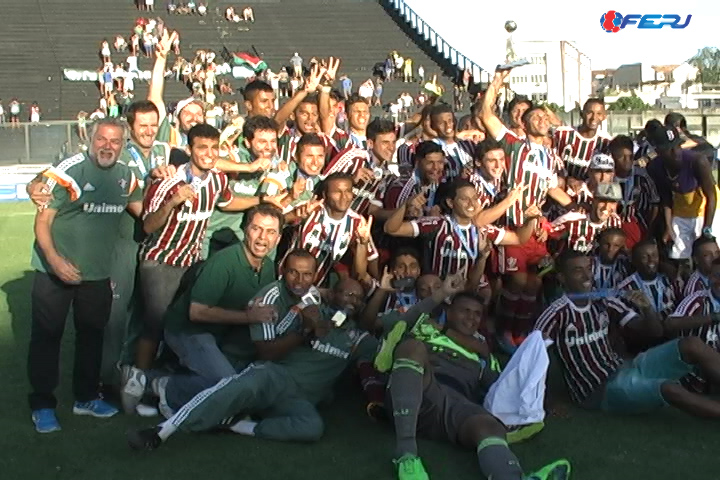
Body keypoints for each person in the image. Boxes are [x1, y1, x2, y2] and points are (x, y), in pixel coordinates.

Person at [127, 255, 379, 449]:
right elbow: (305, 313)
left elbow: (385, 348)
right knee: (229, 388)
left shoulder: (358, 338)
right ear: (331, 294)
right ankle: (163, 431)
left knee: (312, 428)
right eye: (346, 293)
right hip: (273, 377)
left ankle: (237, 425)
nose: (352, 300)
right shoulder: (312, 309)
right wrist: (308, 327)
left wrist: (383, 292)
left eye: (358, 298)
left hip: (299, 400)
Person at [121, 124, 285, 415]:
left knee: (181, 323)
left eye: (214, 148)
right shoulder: (168, 183)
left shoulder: (218, 179)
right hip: (161, 260)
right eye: (202, 148)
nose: (209, 155)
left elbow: (228, 201)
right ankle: (139, 380)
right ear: (189, 150)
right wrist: (173, 201)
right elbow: (147, 226)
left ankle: (165, 379)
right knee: (156, 324)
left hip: (192, 260)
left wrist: (261, 201)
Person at [375, 274, 569, 480]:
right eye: (464, 311)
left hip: (456, 406)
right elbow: (402, 323)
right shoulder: (427, 328)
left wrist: (543, 400)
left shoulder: (483, 353)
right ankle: (406, 455)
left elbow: (501, 389)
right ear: (449, 312)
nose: (471, 318)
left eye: (477, 314)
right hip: (421, 388)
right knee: (412, 348)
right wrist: (442, 294)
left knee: (489, 425)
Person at [28, 118, 144, 433]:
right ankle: (42, 404)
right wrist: (54, 260)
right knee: (47, 337)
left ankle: (86, 397)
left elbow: (146, 213)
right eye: (102, 139)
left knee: (92, 336)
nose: (108, 146)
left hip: (96, 274)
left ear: (123, 145)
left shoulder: (126, 177)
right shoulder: (69, 171)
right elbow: (42, 222)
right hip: (55, 270)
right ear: (90, 140)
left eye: (115, 141)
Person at [537, 249, 720, 418]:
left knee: (691, 344)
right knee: (669, 389)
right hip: (599, 390)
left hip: (625, 367)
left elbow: (655, 332)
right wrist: (547, 402)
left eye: (588, 268)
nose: (587, 276)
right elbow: (532, 361)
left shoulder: (603, 300)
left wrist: (647, 308)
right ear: (562, 277)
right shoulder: (555, 314)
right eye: (578, 270)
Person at [283, 173, 377, 286]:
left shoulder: (358, 223)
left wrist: (362, 244)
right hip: (286, 282)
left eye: (348, 191)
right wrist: (294, 215)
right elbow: (277, 222)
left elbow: (359, 275)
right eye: (337, 192)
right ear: (325, 195)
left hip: (319, 289)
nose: (344, 197)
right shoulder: (311, 210)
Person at [646, 121, 719, 262]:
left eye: (678, 146)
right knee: (678, 257)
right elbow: (666, 198)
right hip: (682, 210)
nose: (676, 152)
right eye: (669, 149)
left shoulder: (697, 161)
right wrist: (668, 226)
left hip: (706, 209)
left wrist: (707, 229)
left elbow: (711, 196)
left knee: (708, 254)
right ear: (659, 151)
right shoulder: (654, 167)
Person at [148, 30, 205, 147]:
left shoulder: (211, 143)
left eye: (199, 114)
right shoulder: (169, 135)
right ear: (177, 118)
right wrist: (161, 59)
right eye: (188, 113)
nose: (195, 118)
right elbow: (155, 99)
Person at [608, 135, 659, 248]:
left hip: (637, 226)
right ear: (612, 158)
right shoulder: (606, 176)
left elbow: (655, 203)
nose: (627, 161)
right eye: (621, 157)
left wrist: (649, 230)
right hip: (611, 226)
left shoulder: (641, 176)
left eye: (630, 157)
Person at [553, 98, 611, 183]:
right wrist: (566, 178)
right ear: (581, 114)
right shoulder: (562, 134)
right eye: (589, 113)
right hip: (562, 185)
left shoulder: (606, 142)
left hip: (589, 188)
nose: (593, 118)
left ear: (604, 117)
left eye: (598, 114)